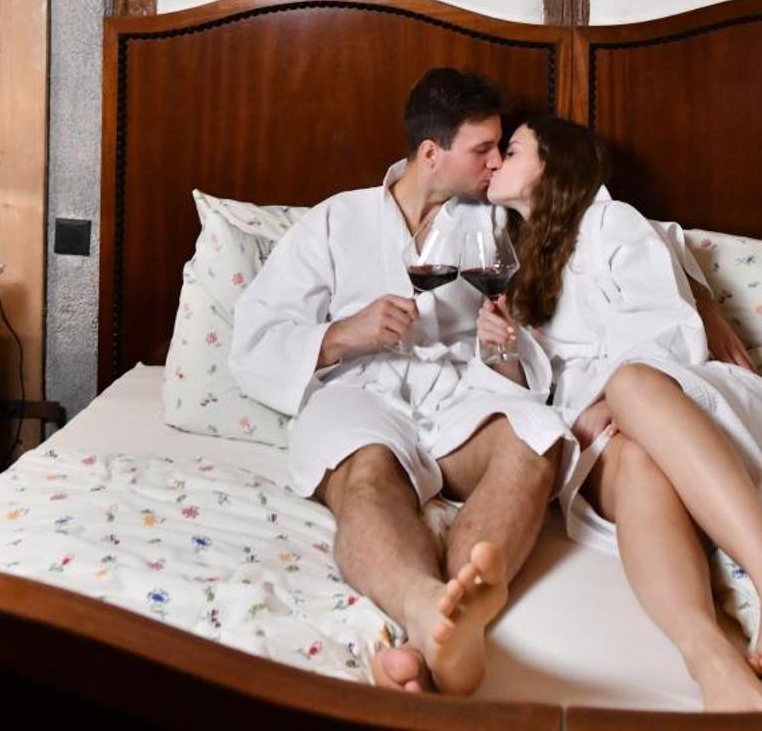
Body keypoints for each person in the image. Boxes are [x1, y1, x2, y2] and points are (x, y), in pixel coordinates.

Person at [228, 68, 569, 696]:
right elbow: (253, 341)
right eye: (482, 150)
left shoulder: (493, 225)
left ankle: (450, 619)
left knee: (538, 438)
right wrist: (342, 334)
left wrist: (500, 347)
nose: (497, 162)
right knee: (365, 471)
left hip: (456, 390)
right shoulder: (336, 221)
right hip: (359, 389)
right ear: (431, 154)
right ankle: (427, 611)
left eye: (500, 148)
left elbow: (520, 344)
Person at [484, 115, 762, 713]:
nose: (494, 162)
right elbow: (532, 395)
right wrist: (504, 349)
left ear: (552, 164)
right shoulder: (518, 265)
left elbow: (668, 333)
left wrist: (607, 396)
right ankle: (712, 662)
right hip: (611, 439)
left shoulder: (611, 223)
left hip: (693, 406)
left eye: (511, 150)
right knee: (634, 462)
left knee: (633, 383)